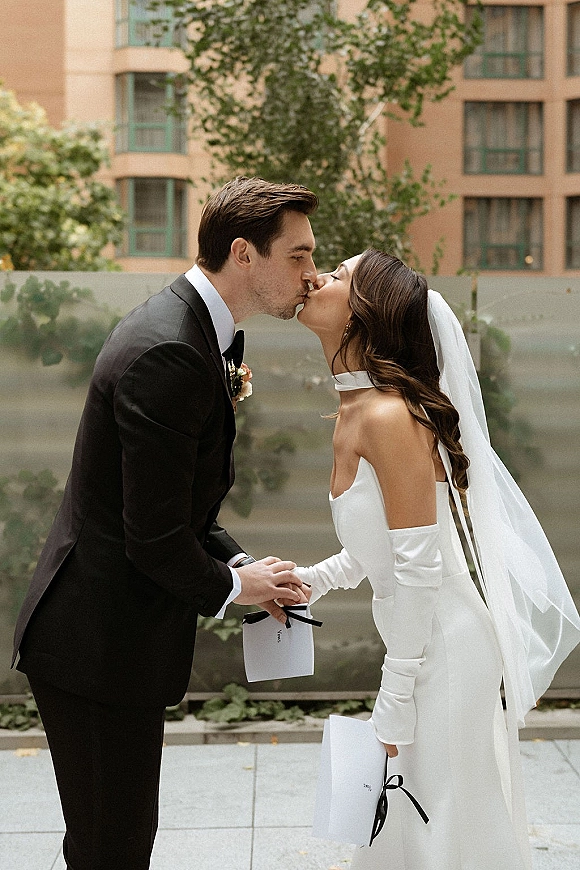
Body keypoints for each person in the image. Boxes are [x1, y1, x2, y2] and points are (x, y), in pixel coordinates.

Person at [11, 176, 318, 870]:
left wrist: (241, 567)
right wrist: (236, 589)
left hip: (114, 635)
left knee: (116, 842)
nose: (311, 273)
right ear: (245, 254)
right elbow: (151, 537)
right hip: (93, 643)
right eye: (297, 256)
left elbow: (174, 508)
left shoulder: (201, 332)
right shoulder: (170, 351)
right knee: (109, 849)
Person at [294, 249, 580, 869]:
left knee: (439, 825)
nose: (317, 277)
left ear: (366, 315)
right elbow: (384, 554)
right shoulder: (352, 410)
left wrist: (395, 694)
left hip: (445, 653)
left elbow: (422, 571)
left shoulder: (390, 416)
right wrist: (310, 581)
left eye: (339, 275)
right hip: (417, 643)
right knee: (408, 822)